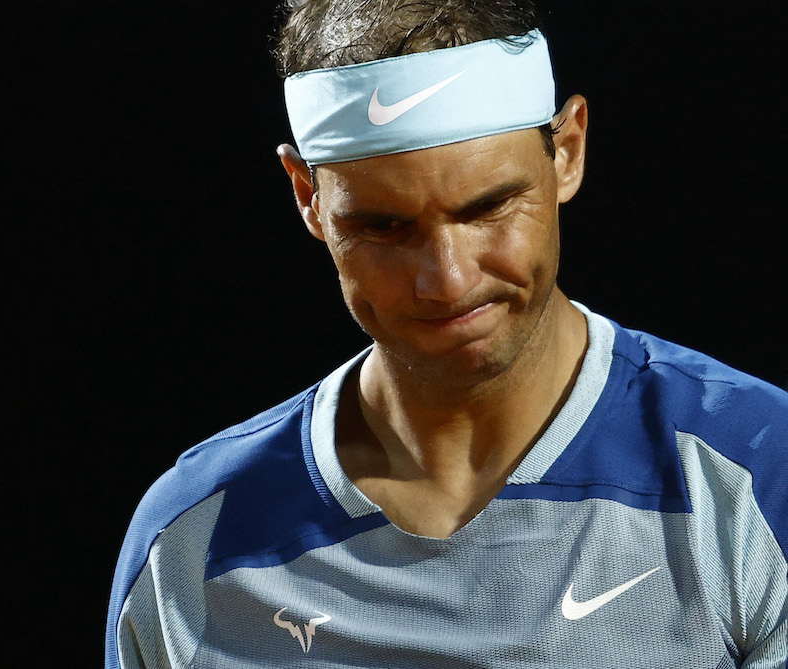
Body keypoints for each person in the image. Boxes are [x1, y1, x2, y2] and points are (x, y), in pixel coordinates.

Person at [105, 1, 788, 666]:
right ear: (309, 197)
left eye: (489, 206)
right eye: (383, 226)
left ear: (568, 152)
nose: (448, 280)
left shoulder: (761, 472)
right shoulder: (192, 544)